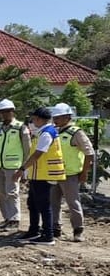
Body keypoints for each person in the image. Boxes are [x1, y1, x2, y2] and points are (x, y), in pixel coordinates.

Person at [14, 108, 66, 245]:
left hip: (45, 174)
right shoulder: (42, 132)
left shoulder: (46, 134)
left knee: (43, 205)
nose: (32, 121)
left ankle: (48, 235)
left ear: (39, 119)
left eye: (34, 118)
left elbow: (38, 154)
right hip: (39, 174)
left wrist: (22, 169)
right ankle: (34, 231)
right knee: (33, 203)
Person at [50, 103, 95, 242]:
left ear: (67, 117)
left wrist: (84, 172)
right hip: (55, 173)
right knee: (53, 202)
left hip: (70, 174)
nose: (55, 120)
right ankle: (55, 228)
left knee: (73, 203)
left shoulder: (76, 133)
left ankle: (78, 230)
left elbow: (89, 153)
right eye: (54, 117)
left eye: (58, 117)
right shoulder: (55, 132)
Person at [0, 99, 30, 229]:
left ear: (13, 112)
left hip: (14, 166)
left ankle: (15, 219)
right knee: (1, 192)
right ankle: (7, 218)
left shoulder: (21, 128)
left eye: (7, 111)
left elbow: (27, 150)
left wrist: (23, 168)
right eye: (2, 112)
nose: (4, 114)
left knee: (12, 192)